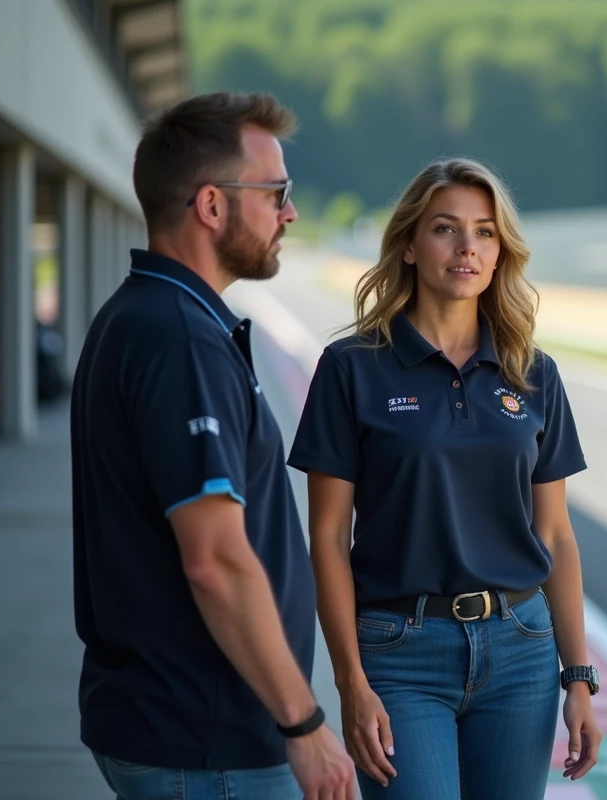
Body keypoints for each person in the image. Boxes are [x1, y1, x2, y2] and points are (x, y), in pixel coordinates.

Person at [286, 157, 603, 799]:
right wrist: (351, 681)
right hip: (399, 653)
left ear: (501, 251)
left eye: (485, 232)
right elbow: (326, 538)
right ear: (408, 244)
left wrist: (577, 676)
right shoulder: (351, 368)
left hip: (521, 651)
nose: (467, 248)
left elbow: (556, 537)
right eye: (445, 229)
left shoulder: (533, 372)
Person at [70, 91, 355, 800]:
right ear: (212, 205)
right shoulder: (179, 341)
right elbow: (216, 561)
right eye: (276, 192)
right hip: (209, 740)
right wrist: (305, 723)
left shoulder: (143, 315)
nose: (289, 212)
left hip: (174, 725)